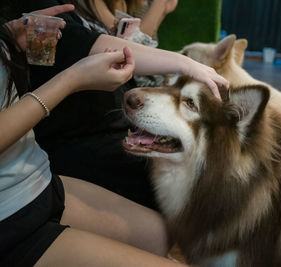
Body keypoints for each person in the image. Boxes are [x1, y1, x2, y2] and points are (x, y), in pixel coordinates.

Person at [0, 5, 188, 266]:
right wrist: (72, 80)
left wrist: (7, 37)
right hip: (10, 218)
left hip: (38, 181)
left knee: (162, 235)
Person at [3, 0, 228, 210]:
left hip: (109, 126)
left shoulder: (108, 7)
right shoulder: (50, 7)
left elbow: (126, 50)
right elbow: (86, 44)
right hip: (75, 143)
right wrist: (184, 62)